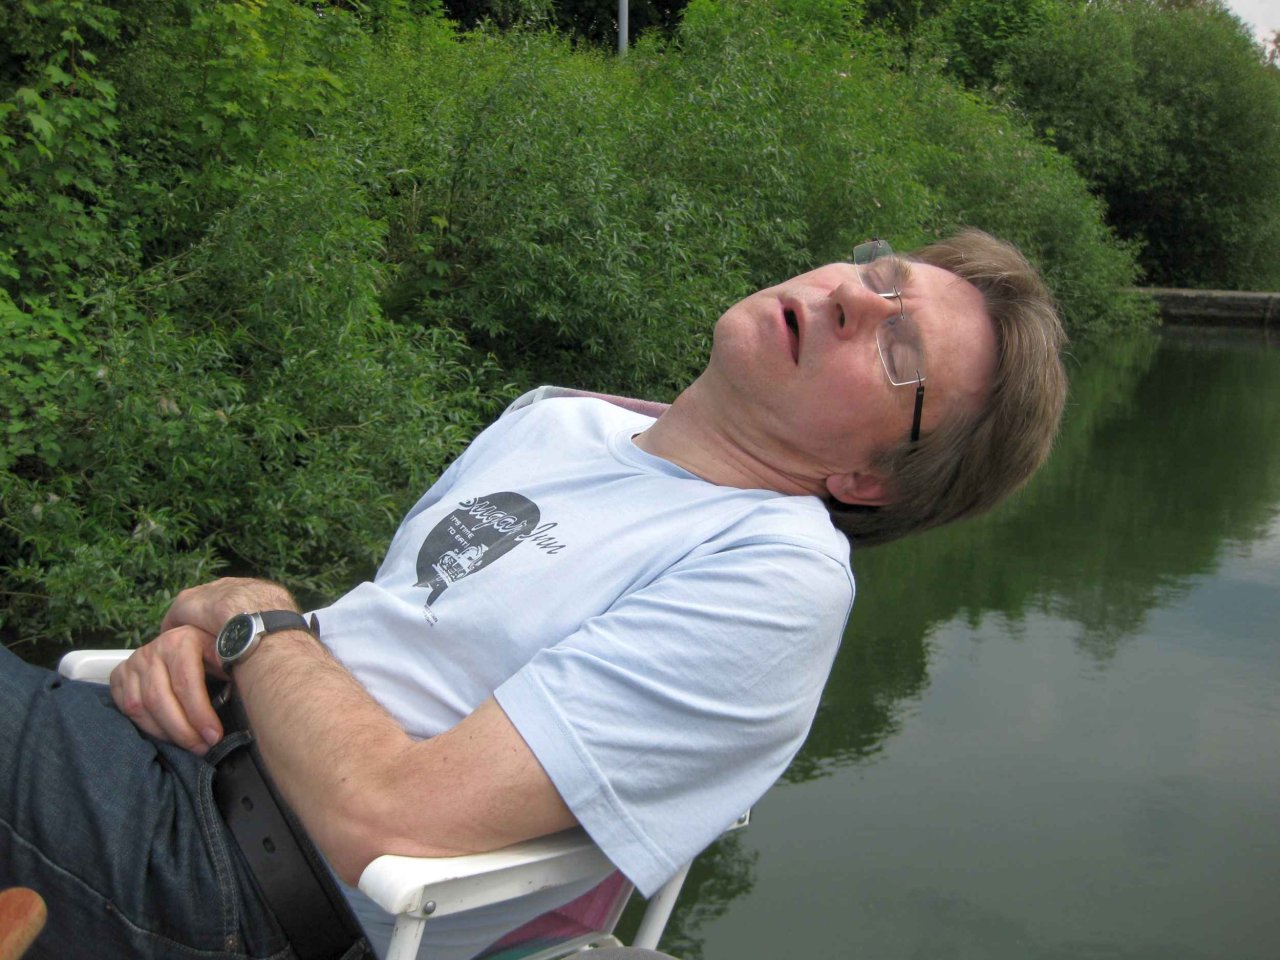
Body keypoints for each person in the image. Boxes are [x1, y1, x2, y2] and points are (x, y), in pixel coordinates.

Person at [0, 230, 1067, 960]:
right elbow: (390, 643)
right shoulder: (562, 421)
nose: (851, 298)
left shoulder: (772, 577)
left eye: (897, 348)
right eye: (880, 274)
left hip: (223, 886)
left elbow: (389, 817)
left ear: (869, 479)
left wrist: (247, 612)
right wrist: (209, 649)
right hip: (162, 749)